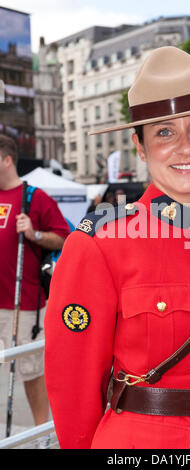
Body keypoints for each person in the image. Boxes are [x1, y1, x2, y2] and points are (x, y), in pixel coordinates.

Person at [45, 46, 190, 449]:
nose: (185, 147)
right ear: (140, 146)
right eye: (164, 132)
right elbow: (72, 384)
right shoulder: (100, 244)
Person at [0, 134, 70, 428]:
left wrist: (34, 234)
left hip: (23, 305)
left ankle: (41, 432)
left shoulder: (34, 197)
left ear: (6, 160)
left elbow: (65, 238)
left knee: (30, 372)